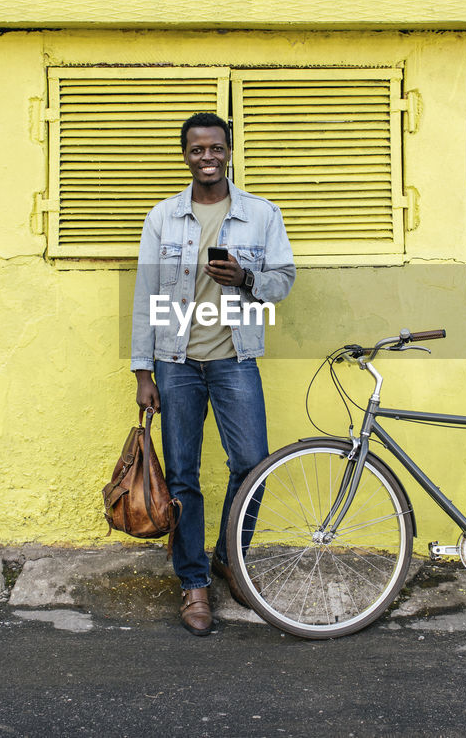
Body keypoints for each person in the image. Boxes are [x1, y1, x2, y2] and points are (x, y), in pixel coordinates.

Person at [130, 111, 295, 636]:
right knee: (182, 474)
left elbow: (285, 279)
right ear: (186, 155)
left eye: (216, 148)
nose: (208, 157)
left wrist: (246, 277)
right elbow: (145, 297)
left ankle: (229, 556)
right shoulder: (163, 218)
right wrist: (142, 370)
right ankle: (194, 583)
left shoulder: (261, 214)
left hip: (234, 358)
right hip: (176, 364)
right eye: (198, 149)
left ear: (229, 151)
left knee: (251, 464)